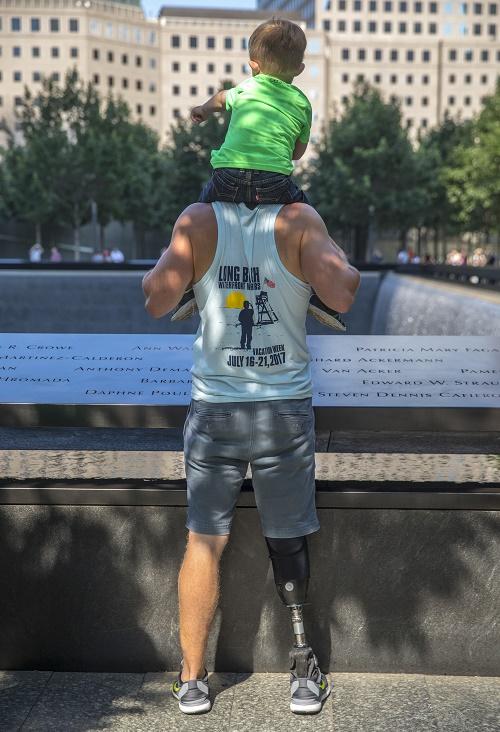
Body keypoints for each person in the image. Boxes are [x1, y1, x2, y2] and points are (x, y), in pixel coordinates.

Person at [142, 200, 360, 715]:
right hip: (282, 410)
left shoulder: (197, 221)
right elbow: (344, 292)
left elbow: (155, 299)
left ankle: (192, 678)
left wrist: (187, 262)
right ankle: (303, 668)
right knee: (287, 537)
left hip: (215, 408)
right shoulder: (300, 222)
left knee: (203, 539)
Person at [171, 17, 346, 333]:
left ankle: (189, 285)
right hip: (273, 184)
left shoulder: (245, 88)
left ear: (253, 65)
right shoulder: (302, 104)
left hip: (227, 179)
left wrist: (203, 109)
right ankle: (323, 297)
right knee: (312, 221)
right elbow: (297, 153)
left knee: (198, 213)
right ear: (300, 70)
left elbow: (222, 97)